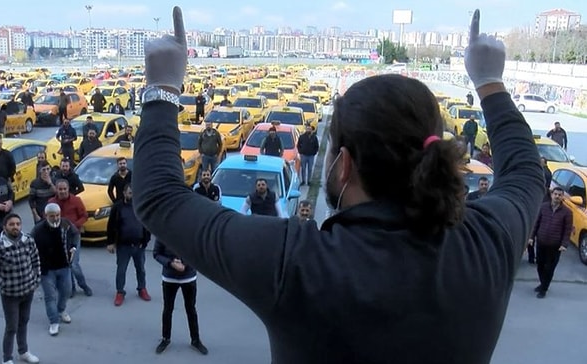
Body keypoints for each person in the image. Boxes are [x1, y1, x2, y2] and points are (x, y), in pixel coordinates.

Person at [132, 8, 545, 362]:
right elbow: (527, 173)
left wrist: (163, 87)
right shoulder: (486, 242)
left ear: (343, 165)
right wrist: (490, 84)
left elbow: (159, 197)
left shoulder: (296, 264)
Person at [0, 213, 41, 364]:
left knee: (24, 322)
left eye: (18, 224)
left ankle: (23, 352)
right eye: (11, 224)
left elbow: (35, 260)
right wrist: (1, 281)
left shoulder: (28, 241)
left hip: (28, 290)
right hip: (10, 294)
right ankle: (7, 358)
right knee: (11, 326)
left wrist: (36, 279)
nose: (15, 227)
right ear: (5, 227)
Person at [153, 238, 208, 355]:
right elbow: (156, 253)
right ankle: (165, 339)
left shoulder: (188, 232)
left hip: (189, 278)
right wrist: (171, 263)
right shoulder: (162, 231)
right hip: (169, 278)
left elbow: (197, 253)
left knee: (191, 309)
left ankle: (195, 340)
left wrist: (185, 264)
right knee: (168, 309)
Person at [31, 203, 78, 336]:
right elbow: (30, 245)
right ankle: (54, 321)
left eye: (57, 215)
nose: (56, 218)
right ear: (46, 216)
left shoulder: (65, 224)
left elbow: (75, 234)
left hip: (64, 266)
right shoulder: (38, 229)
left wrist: (73, 247)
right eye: (52, 216)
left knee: (66, 291)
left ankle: (61, 310)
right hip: (47, 269)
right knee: (50, 296)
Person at [106, 185, 152, 306]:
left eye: (134, 193)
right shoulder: (118, 207)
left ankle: (142, 289)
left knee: (141, 269)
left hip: (139, 245)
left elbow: (148, 223)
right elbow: (111, 225)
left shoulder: (141, 206)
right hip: (123, 246)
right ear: (124, 193)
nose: (132, 195)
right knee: (121, 270)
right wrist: (110, 242)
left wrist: (146, 240)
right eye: (130, 193)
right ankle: (120, 292)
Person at [48, 179, 92, 297]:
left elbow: (84, 216)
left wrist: (74, 225)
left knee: (73, 265)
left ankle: (83, 285)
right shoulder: (51, 203)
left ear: (68, 189)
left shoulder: (76, 200)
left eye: (64, 189)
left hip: (73, 236)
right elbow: (46, 218)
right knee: (66, 265)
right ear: (56, 190)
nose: (62, 191)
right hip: (59, 238)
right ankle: (71, 288)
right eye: (60, 189)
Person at [528, 187, 572, 298]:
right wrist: (531, 237)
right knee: (540, 266)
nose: (557, 196)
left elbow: (567, 229)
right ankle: (543, 283)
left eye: (560, 195)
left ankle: (543, 289)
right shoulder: (543, 207)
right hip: (541, 243)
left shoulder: (567, 212)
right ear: (551, 195)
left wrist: (564, 244)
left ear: (562, 197)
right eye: (555, 194)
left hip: (555, 246)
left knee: (549, 268)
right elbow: (536, 223)